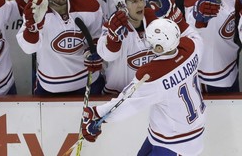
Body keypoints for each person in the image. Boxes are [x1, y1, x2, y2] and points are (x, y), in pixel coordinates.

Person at [82, 18, 206, 156]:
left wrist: (97, 114)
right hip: (173, 132)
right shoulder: (191, 48)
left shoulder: (154, 75)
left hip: (176, 143)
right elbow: (194, 35)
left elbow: (126, 103)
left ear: (159, 48)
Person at [16, 0, 105, 95]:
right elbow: (29, 49)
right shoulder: (35, 10)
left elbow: (99, 35)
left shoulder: (88, 4)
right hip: (50, 87)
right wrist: (32, 29)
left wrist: (97, 50)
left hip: (88, 81)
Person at [97, 0, 187, 95]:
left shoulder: (154, 18)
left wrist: (173, 15)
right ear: (121, 5)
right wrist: (113, 38)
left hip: (151, 93)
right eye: (134, 1)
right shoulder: (112, 26)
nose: (141, 5)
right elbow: (107, 56)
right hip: (117, 94)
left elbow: (176, 44)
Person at [183, 0, 240, 93]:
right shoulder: (196, 6)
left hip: (231, 63)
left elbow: (230, 6)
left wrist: (239, 3)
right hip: (211, 74)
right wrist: (200, 18)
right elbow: (196, 18)